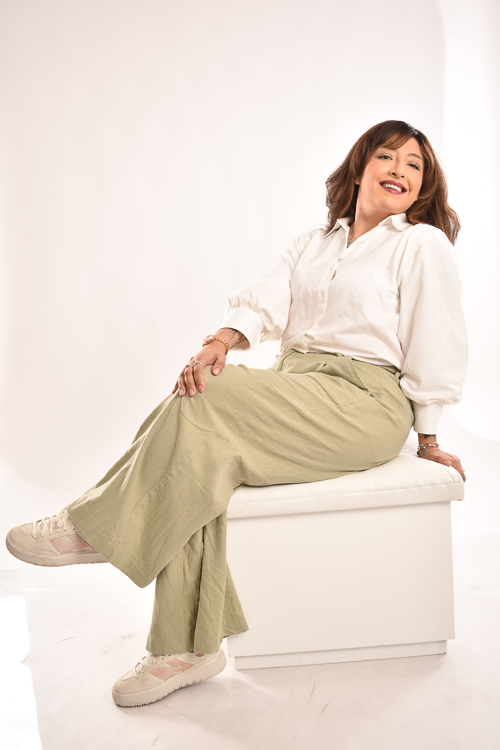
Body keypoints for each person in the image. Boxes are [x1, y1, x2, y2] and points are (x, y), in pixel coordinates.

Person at [5, 120, 468, 708]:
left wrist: (427, 439)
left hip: (366, 401)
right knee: (198, 447)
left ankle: (94, 525)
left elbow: (437, 339)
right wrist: (221, 340)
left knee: (208, 400)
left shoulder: (421, 244)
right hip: (298, 386)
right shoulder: (313, 244)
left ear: (424, 185)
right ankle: (185, 649)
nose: (400, 170)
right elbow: (267, 298)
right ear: (360, 167)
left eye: (414, 164)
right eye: (387, 156)